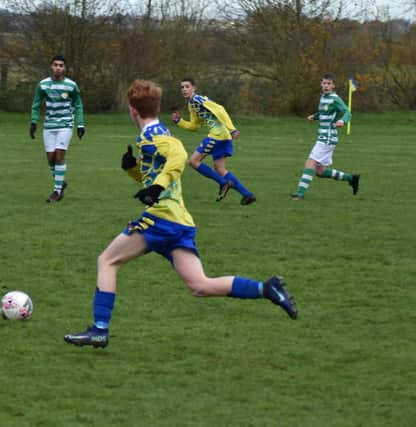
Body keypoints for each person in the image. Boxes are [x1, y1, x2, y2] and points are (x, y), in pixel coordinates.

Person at [64, 80, 297, 349]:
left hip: (160, 219)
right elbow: (160, 174)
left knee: (107, 260)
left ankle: (100, 329)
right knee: (200, 285)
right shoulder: (156, 132)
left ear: (132, 111)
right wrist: (133, 171)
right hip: (179, 222)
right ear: (157, 107)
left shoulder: (153, 136)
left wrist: (156, 188)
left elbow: (178, 156)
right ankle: (267, 289)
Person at [171, 77, 256, 205]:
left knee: (193, 161)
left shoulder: (198, 99)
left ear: (194, 88)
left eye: (187, 86)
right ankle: (248, 195)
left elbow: (220, 110)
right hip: (224, 136)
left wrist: (232, 129)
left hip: (217, 135)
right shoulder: (191, 104)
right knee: (220, 169)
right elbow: (195, 126)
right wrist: (179, 121)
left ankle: (223, 183)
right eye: (182, 87)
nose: (184, 89)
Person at [291, 73, 359, 200]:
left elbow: (347, 112)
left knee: (310, 163)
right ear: (321, 85)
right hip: (324, 137)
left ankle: (299, 194)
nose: (326, 86)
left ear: (333, 86)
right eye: (324, 83)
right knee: (320, 171)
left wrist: (342, 121)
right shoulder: (323, 97)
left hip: (327, 137)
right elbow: (324, 112)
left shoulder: (334, 98)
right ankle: (352, 178)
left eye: (329, 84)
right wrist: (315, 116)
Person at [29, 55, 85, 203]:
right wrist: (33, 122)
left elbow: (78, 105)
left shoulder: (71, 85)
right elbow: (35, 105)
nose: (58, 67)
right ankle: (60, 182)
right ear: (51, 67)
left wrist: (80, 124)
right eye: (55, 65)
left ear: (65, 68)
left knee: (59, 156)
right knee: (50, 159)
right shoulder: (43, 85)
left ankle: (57, 191)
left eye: (61, 65)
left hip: (66, 124)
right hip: (49, 125)